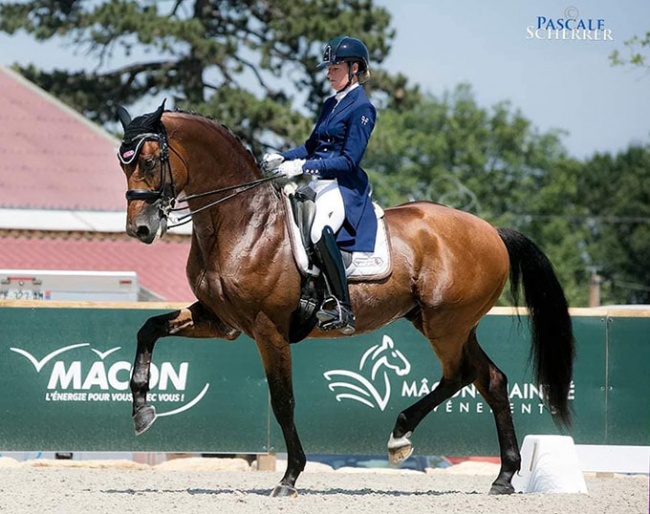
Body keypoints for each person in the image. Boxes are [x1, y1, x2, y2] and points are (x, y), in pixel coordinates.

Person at [262, 36, 378, 336]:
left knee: (318, 231)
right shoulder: (331, 104)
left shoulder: (362, 108)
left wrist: (302, 166)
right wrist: (283, 156)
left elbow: (349, 161)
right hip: (317, 182)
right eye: (328, 68)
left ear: (354, 68)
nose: (328, 74)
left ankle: (342, 306)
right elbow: (312, 145)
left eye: (335, 68)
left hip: (342, 187)